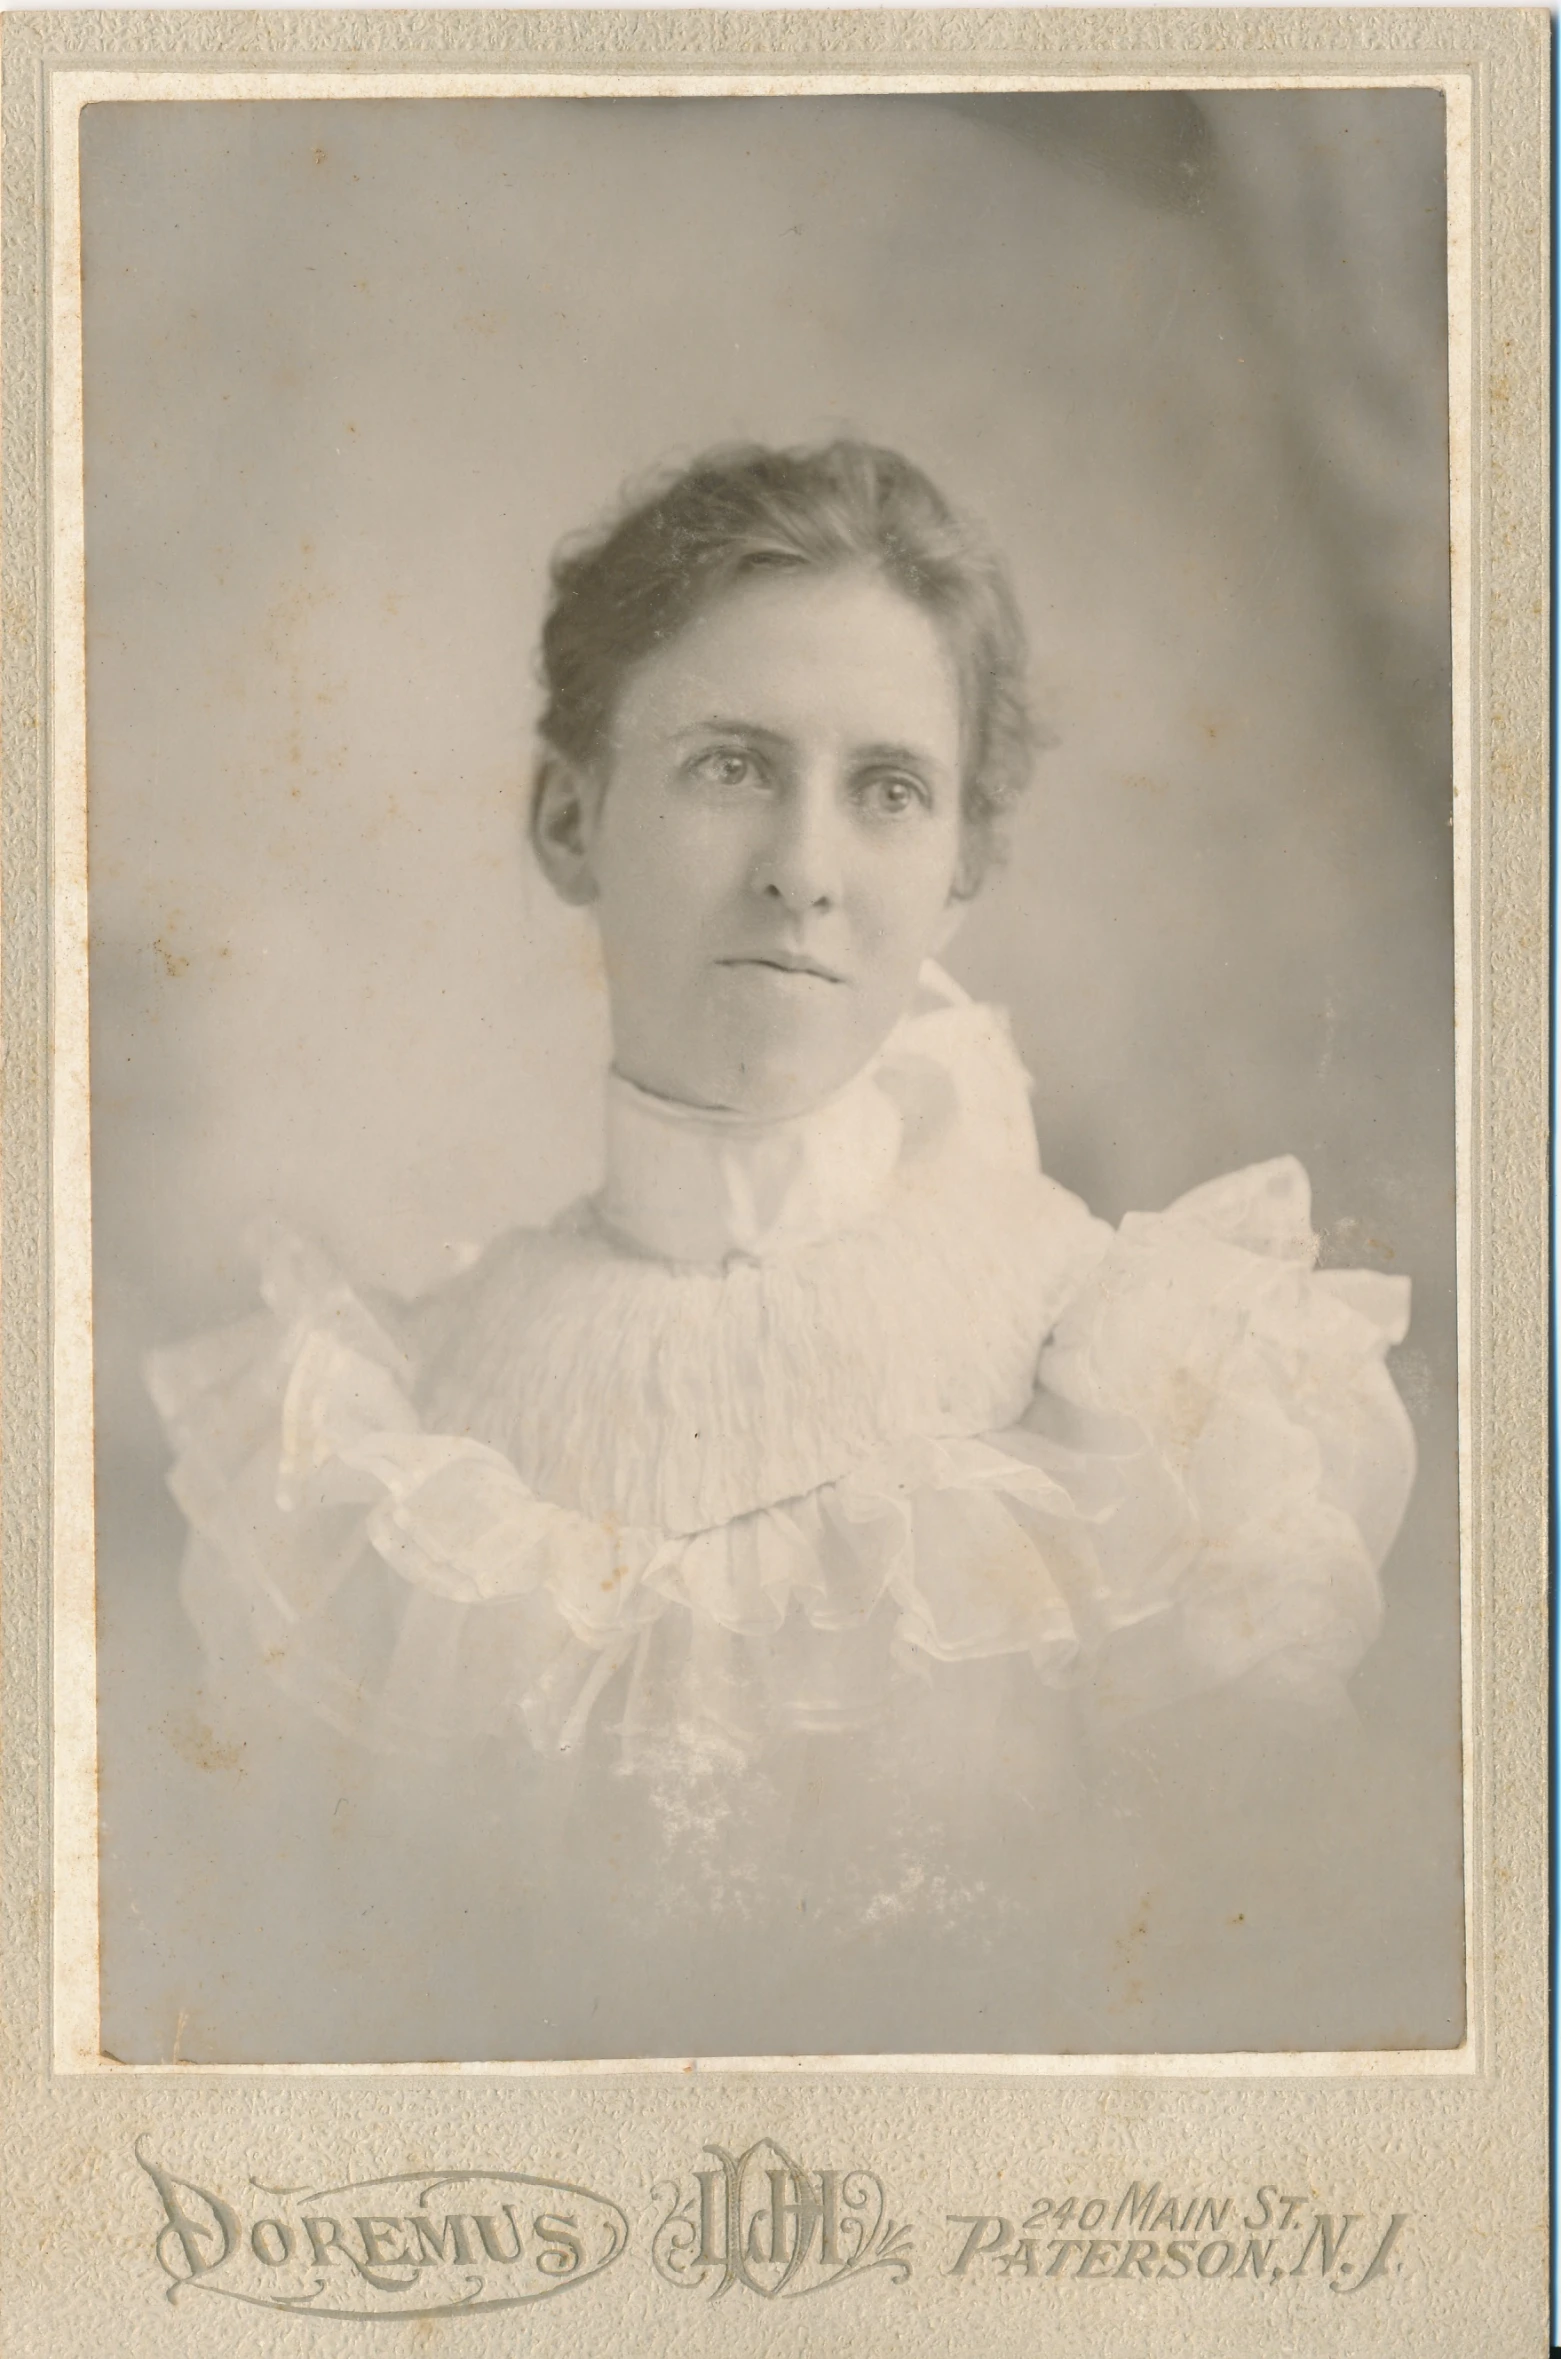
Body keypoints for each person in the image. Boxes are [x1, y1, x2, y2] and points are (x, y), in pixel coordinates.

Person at [148, 440, 1416, 2057]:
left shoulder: (1131, 1382)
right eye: (732, 764)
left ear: (958, 870)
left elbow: (1261, 2006)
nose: (804, 871)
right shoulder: (384, 1459)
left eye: (887, 791)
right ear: (565, 817)